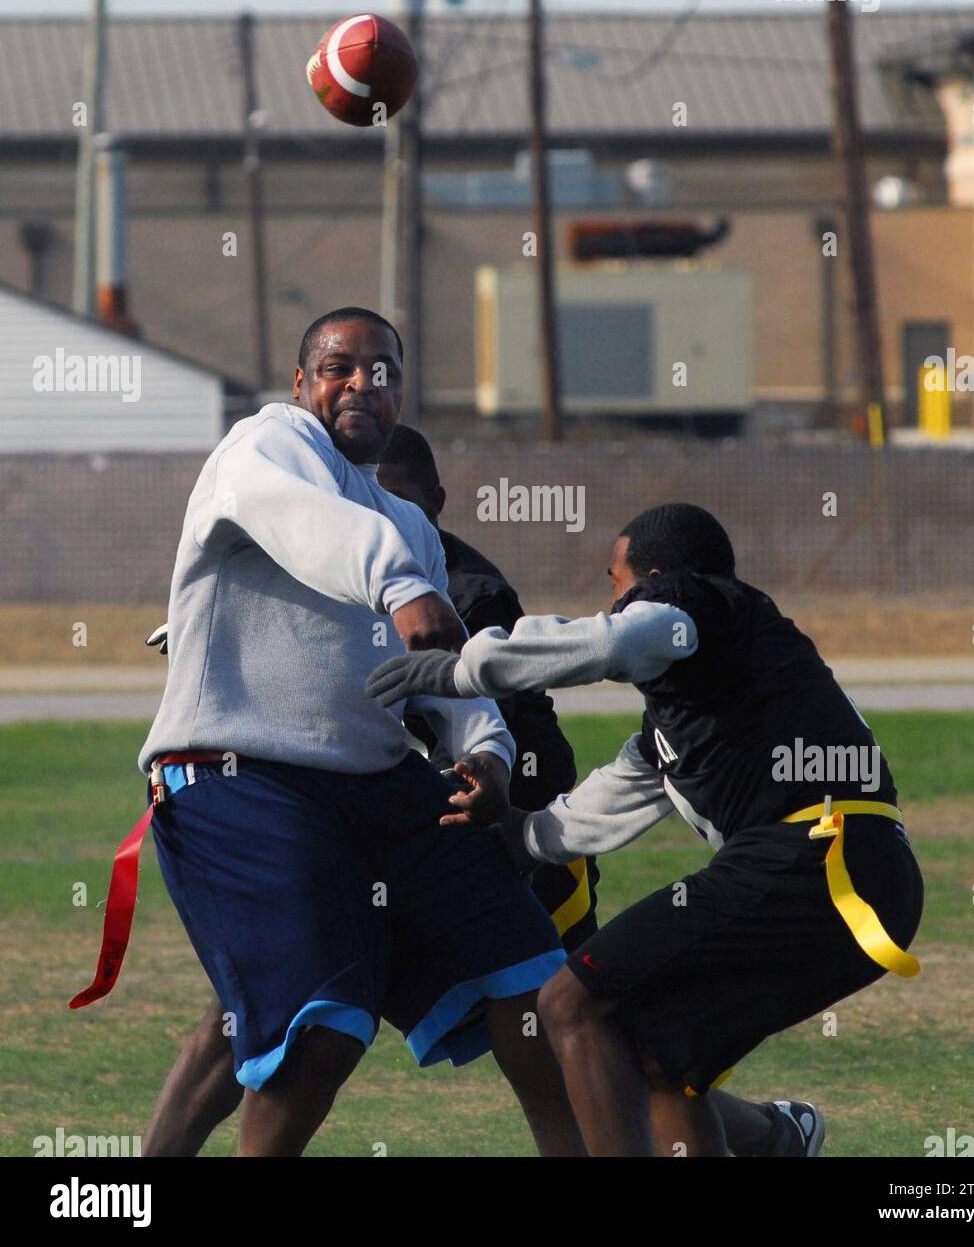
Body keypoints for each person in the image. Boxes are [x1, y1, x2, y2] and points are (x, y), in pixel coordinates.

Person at [133, 306, 583, 1158]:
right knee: (321, 1026)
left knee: (550, 1000)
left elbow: (443, 677)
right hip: (237, 773)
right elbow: (313, 525)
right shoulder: (261, 449)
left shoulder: (406, 526)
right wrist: (398, 586)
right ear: (301, 384)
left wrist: (485, 755)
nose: (360, 384)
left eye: (381, 371)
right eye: (339, 367)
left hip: (376, 787)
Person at [368, 502, 924, 1157]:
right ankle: (777, 1142)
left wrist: (463, 670)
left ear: (652, 576)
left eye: (614, 582)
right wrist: (519, 833)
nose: (612, 598)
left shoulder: (693, 597)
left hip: (820, 859)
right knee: (655, 1059)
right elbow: (616, 794)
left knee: (573, 1001)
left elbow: (614, 642)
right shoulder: (704, 690)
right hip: (845, 876)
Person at [377, 424, 599, 952]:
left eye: (403, 500)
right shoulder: (362, 573)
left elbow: (481, 731)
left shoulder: (470, 594)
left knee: (560, 986)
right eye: (372, 502)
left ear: (436, 500)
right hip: (435, 803)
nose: (389, 518)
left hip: (522, 802)